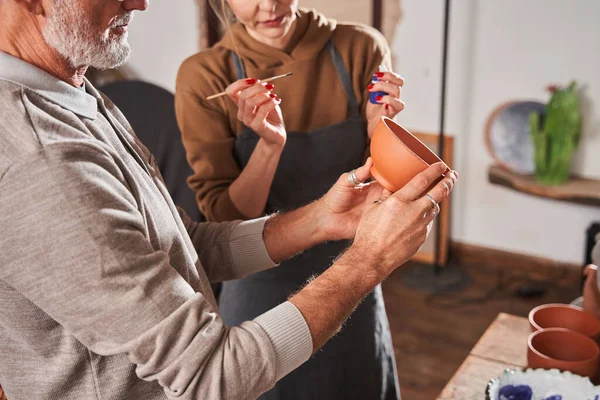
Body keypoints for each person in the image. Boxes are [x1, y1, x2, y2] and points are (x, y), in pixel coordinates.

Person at [0, 0, 458, 398]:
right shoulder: (41, 161)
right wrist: (367, 262)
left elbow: (179, 246)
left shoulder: (71, 93)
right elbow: (213, 374)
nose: (140, 3)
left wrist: (322, 220)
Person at [175, 1, 406, 398]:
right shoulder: (203, 75)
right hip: (260, 294)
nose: (269, 5)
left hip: (352, 279)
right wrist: (269, 145)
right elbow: (225, 219)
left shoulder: (360, 47)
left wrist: (379, 129)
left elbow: (382, 182)